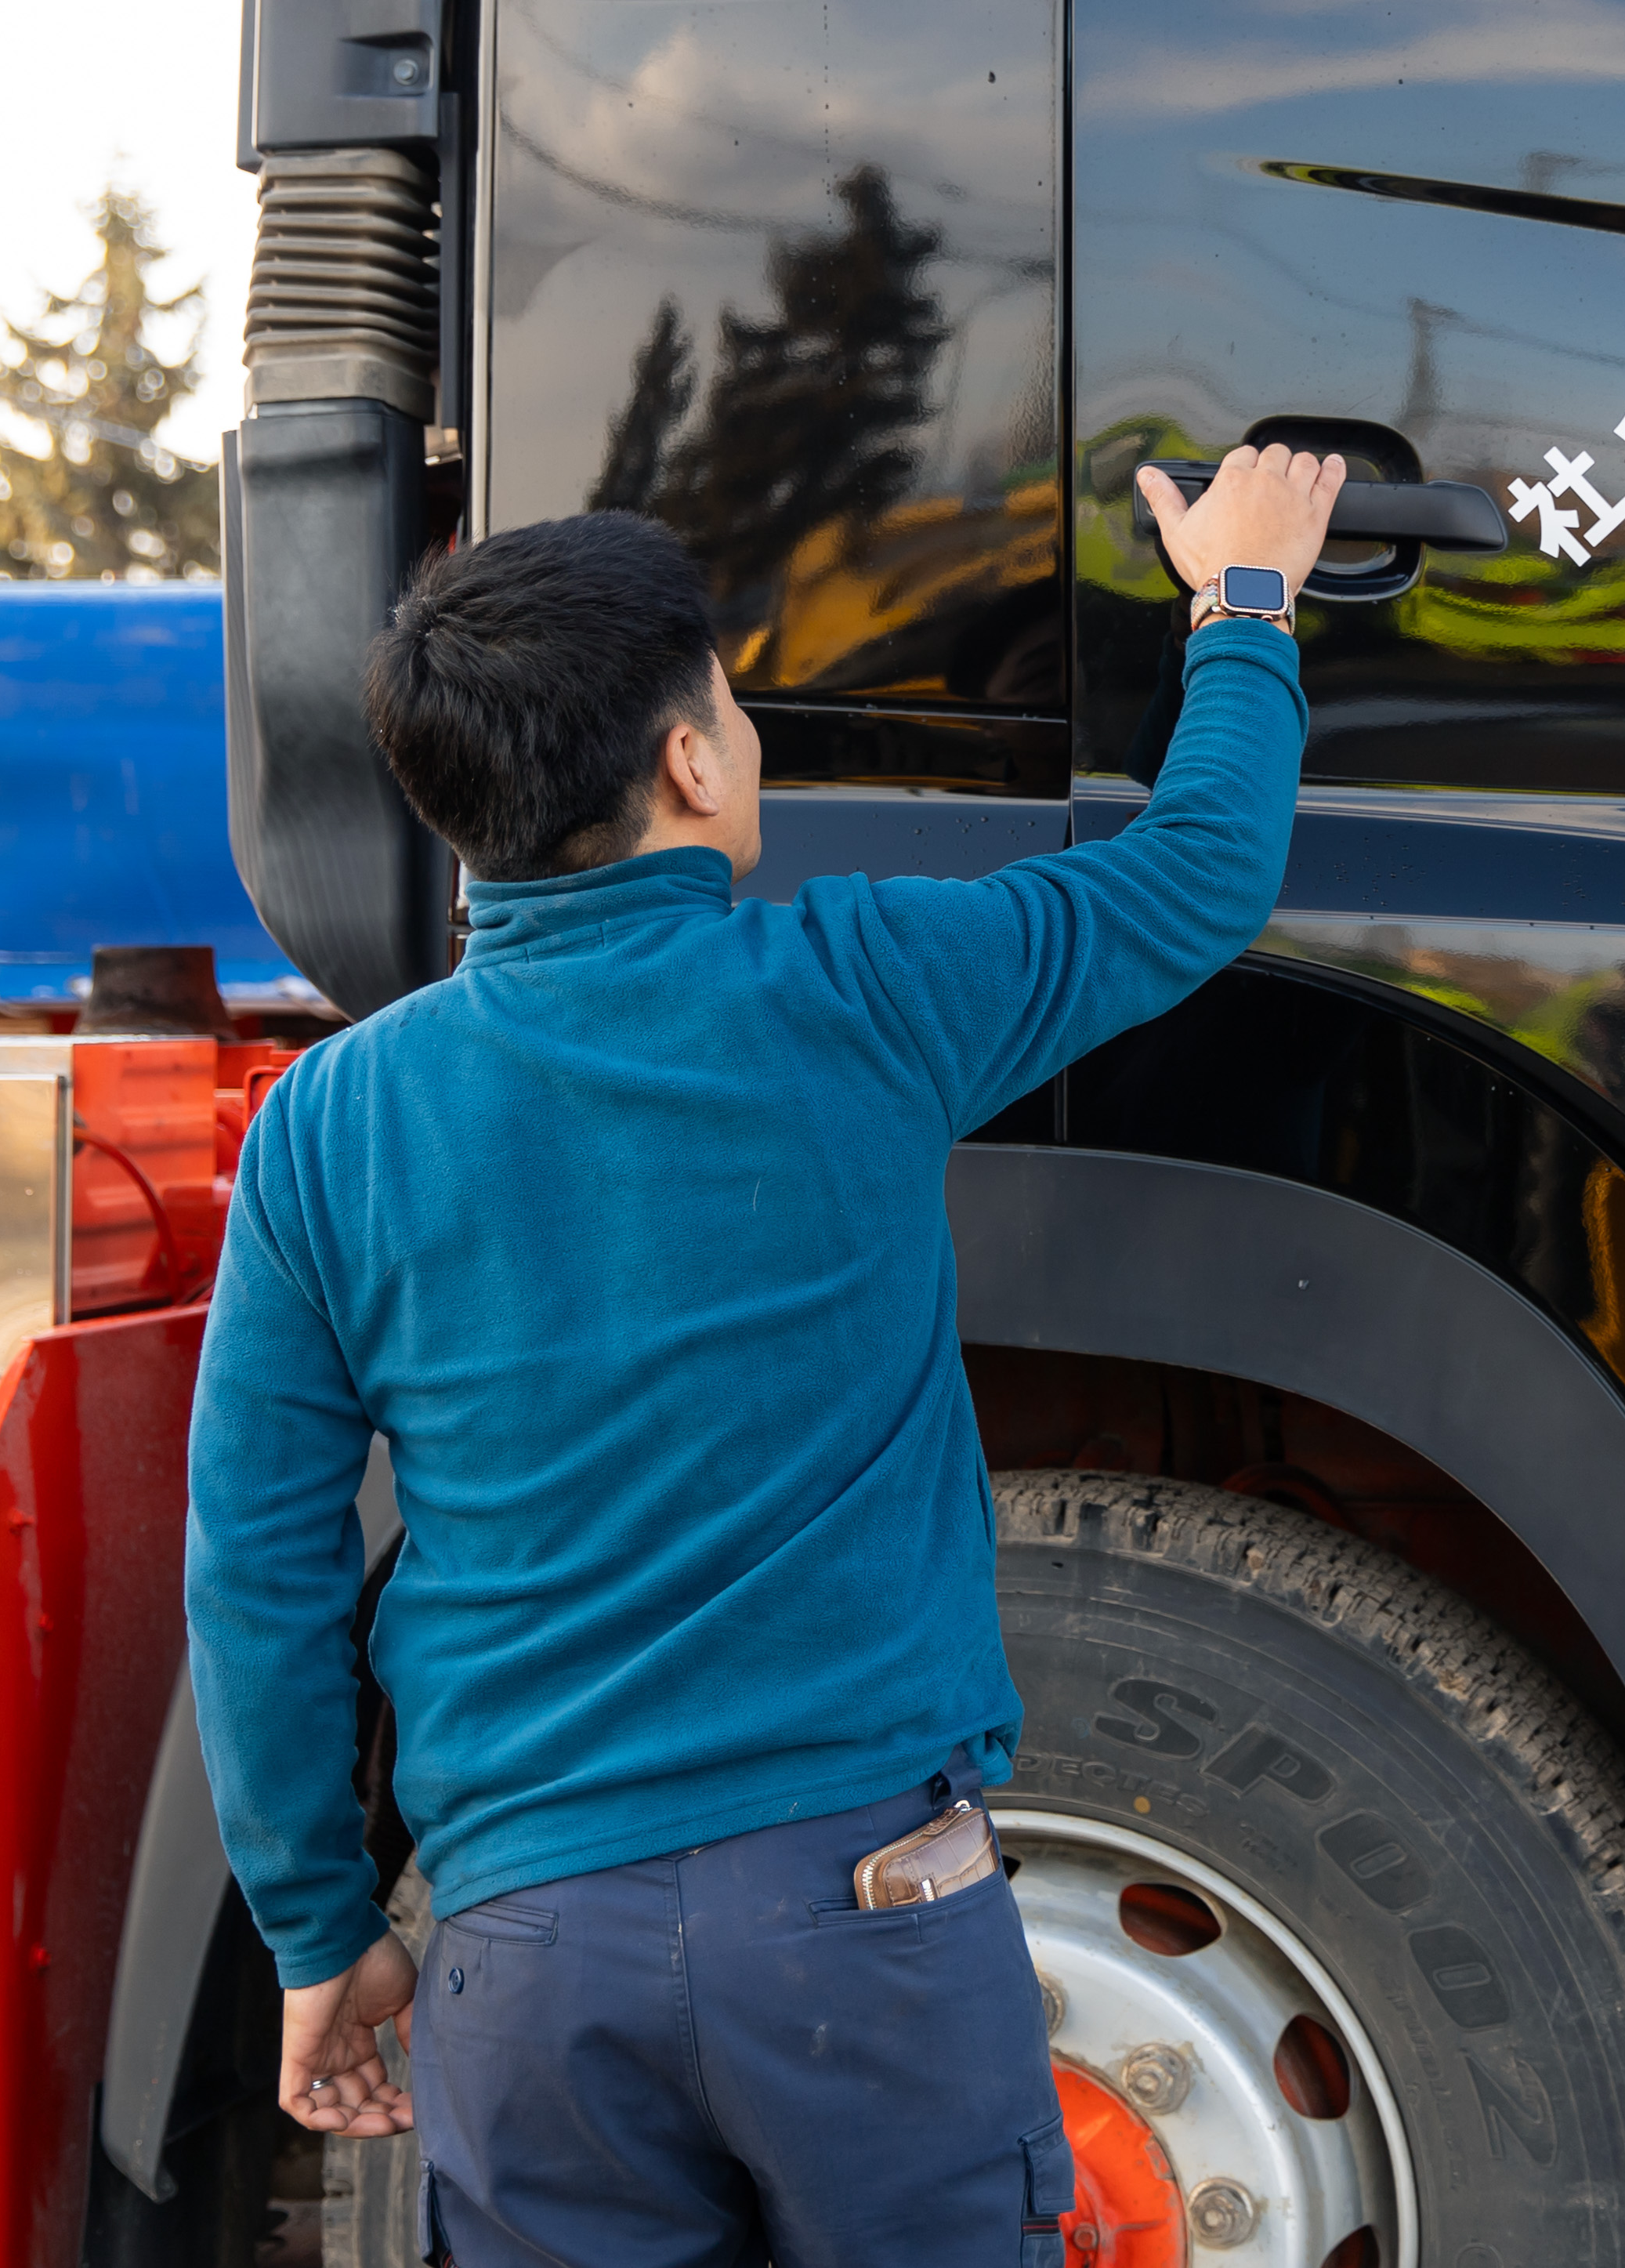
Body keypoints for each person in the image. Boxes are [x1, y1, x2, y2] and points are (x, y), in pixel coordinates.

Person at [184, 445, 1347, 2265]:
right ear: (687, 760)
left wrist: (320, 1933)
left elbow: (258, 1570)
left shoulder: (328, 1126)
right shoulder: (865, 986)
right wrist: (1246, 597)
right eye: (727, 697)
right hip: (867, 1931)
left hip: (526, 1963)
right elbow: (1193, 876)